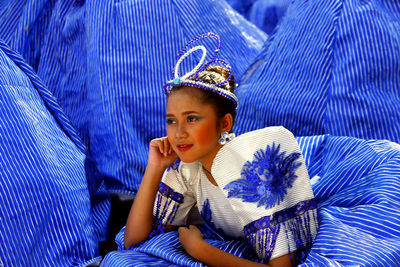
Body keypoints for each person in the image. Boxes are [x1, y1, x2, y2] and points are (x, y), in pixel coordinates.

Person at [123, 33, 318, 266]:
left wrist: (199, 249)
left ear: (225, 123)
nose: (179, 133)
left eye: (192, 119)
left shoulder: (249, 170)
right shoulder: (189, 170)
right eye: (172, 121)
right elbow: (133, 241)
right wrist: (155, 168)